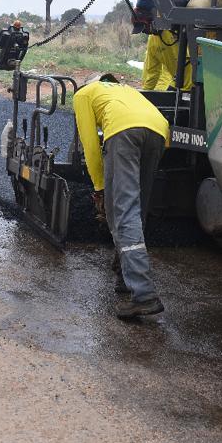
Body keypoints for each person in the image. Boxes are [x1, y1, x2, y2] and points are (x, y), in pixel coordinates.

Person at [73, 74, 169, 319]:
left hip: (124, 132)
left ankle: (144, 295)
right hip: (158, 130)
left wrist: (99, 188)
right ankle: (126, 277)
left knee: (123, 212)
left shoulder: (83, 94)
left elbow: (90, 145)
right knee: (136, 209)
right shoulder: (123, 89)